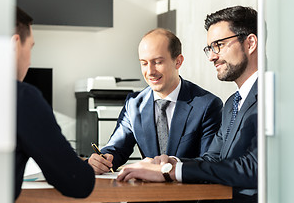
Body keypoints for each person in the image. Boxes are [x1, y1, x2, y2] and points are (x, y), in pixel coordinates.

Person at [117, 6, 258, 203]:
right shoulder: (231, 104)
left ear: (250, 43)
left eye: (219, 45)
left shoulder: (274, 97)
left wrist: (171, 172)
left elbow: (255, 167)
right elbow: (213, 159)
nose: (212, 56)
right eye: (210, 48)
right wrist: (170, 163)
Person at [88, 28, 223, 174]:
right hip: (147, 194)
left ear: (178, 61)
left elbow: (210, 161)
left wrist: (169, 166)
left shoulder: (207, 105)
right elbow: (117, 147)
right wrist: (103, 159)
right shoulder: (134, 104)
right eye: (144, 63)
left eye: (157, 62)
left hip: (189, 193)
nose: (150, 71)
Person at [14, 7, 95, 200]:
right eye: (30, 47)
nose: (29, 61)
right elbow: (78, 183)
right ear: (15, 45)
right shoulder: (21, 98)